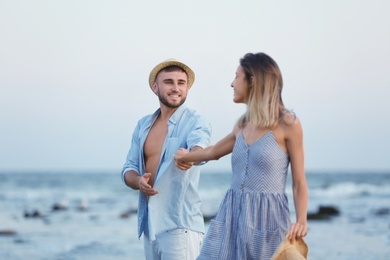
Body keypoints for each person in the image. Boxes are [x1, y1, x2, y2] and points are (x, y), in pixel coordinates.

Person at [174, 52, 308, 259]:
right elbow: (213, 152)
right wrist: (184, 157)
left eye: (236, 77)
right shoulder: (242, 125)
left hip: (268, 220)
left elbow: (299, 182)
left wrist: (301, 220)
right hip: (231, 216)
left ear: (252, 80)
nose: (232, 84)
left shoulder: (288, 123)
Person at [121, 59, 212, 260]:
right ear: (155, 87)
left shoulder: (196, 121)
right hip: (150, 225)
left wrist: (191, 156)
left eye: (181, 83)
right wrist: (137, 181)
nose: (175, 88)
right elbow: (128, 168)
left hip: (180, 226)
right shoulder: (143, 125)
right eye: (169, 82)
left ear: (187, 88)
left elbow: (201, 146)